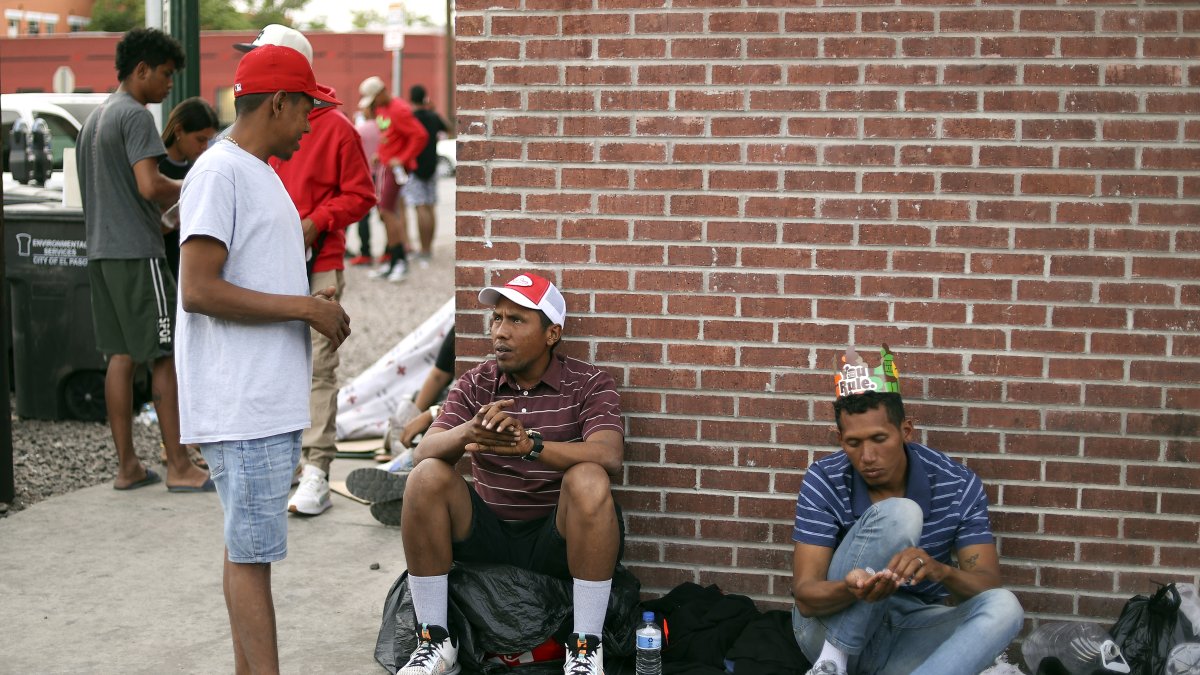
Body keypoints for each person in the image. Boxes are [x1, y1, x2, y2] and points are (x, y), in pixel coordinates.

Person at [175, 44, 350, 674]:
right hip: (242, 403)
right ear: (279, 101)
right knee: (252, 558)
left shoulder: (256, 168)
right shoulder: (221, 172)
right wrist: (304, 309)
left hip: (258, 402)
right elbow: (198, 289)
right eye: (307, 107)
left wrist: (307, 301)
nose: (311, 123)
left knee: (243, 551)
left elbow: (243, 274)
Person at [394, 272, 624, 675]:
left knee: (588, 476)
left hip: (554, 537)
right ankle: (435, 642)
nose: (500, 332)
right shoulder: (477, 382)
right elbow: (423, 452)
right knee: (427, 475)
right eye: (496, 319)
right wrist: (471, 430)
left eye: (516, 320)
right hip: (489, 533)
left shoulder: (588, 382)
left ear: (552, 333)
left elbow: (609, 455)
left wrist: (531, 447)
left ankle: (586, 648)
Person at [791, 346, 1023, 675]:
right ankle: (832, 665)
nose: (867, 456)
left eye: (879, 439)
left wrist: (939, 571)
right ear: (840, 438)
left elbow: (987, 583)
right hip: (825, 631)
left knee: (1005, 606)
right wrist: (850, 589)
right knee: (901, 514)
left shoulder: (957, 484)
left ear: (906, 431)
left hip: (906, 633)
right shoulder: (825, 478)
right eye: (853, 443)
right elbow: (805, 597)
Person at [232, 25, 376, 518]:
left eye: (260, 57)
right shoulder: (251, 134)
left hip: (320, 262)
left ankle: (316, 467)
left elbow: (362, 193)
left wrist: (317, 221)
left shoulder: (335, 128)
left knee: (319, 363)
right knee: (273, 354)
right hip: (268, 259)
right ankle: (286, 460)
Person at [76, 27, 211, 492]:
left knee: (119, 356)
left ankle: (128, 466)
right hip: (138, 255)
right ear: (142, 71)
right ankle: (178, 465)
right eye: (166, 75)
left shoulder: (95, 119)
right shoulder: (134, 116)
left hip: (101, 253)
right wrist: (197, 185)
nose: (169, 85)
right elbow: (149, 186)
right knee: (164, 356)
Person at [344, 327, 456, 526]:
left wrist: (431, 414)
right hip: (451, 410)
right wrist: (413, 419)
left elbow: (470, 406)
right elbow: (438, 375)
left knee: (440, 443)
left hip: (458, 426)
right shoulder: (463, 330)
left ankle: (414, 479)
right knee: (422, 403)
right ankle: (414, 484)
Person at [358, 75, 427, 282]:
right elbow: (388, 136)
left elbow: (420, 135)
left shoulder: (399, 109)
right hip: (385, 166)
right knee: (386, 212)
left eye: (373, 100)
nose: (373, 105)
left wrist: (403, 158)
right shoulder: (382, 109)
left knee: (388, 211)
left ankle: (400, 261)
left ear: (381, 93)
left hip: (395, 169)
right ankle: (393, 259)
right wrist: (381, 152)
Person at [158, 96, 218, 281]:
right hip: (162, 265)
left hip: (189, 268)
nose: (204, 147)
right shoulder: (153, 168)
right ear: (178, 131)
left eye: (209, 140)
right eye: (200, 139)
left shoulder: (197, 167)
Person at [404, 84, 448, 266]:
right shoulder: (433, 116)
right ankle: (429, 247)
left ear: (411, 98)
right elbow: (448, 128)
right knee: (430, 206)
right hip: (433, 165)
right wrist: (435, 110)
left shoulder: (411, 117)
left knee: (420, 207)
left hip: (415, 167)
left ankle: (423, 249)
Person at [348, 111, 382, 267]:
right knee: (387, 215)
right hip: (382, 174)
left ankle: (366, 252)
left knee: (363, 217)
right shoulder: (382, 128)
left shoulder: (360, 129)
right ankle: (389, 251)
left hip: (365, 175)